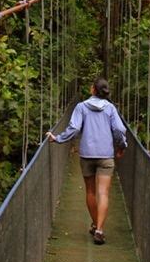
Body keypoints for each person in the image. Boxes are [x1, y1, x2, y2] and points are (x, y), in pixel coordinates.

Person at [46, 77, 127, 245]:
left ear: (92, 90)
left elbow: (74, 128)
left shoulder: (81, 107)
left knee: (90, 192)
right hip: (106, 156)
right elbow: (119, 129)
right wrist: (121, 146)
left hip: (87, 155)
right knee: (103, 193)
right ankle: (99, 229)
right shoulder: (110, 108)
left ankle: (95, 223)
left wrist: (58, 139)